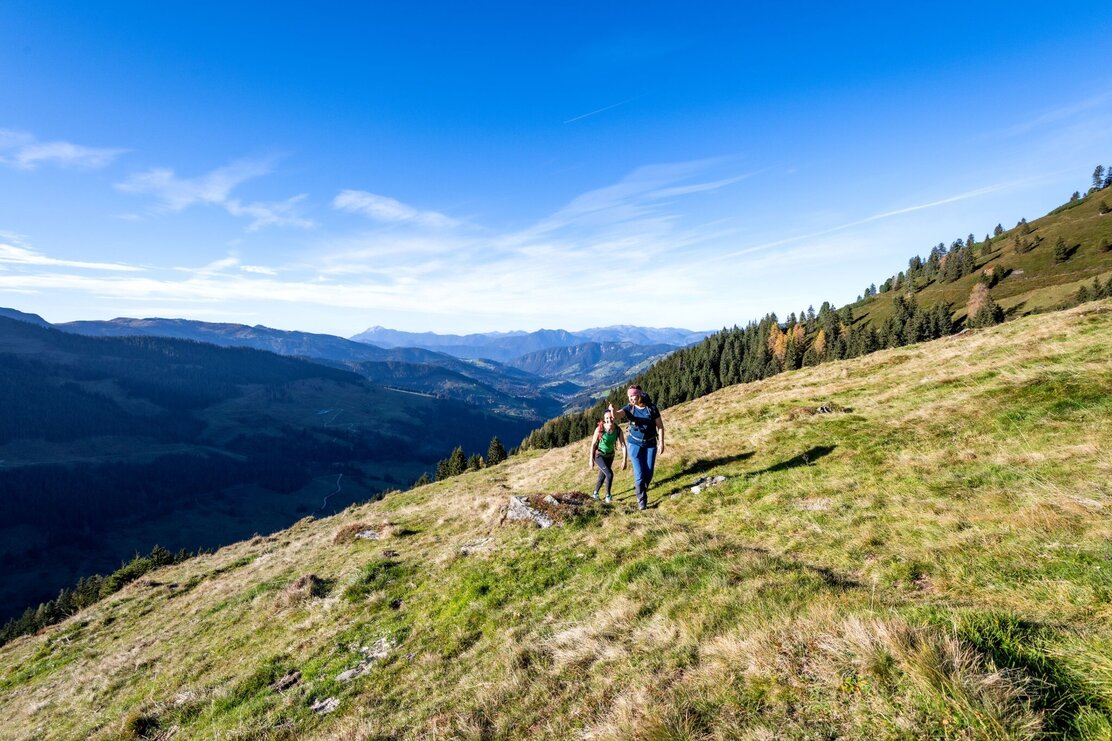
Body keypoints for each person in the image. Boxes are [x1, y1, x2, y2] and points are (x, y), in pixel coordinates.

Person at [608, 385, 664, 511]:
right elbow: (617, 415)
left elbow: (660, 426)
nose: (630, 398)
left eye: (632, 396)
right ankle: (641, 501)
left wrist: (661, 442)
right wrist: (613, 410)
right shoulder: (630, 408)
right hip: (634, 444)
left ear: (639, 395)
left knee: (648, 474)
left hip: (650, 444)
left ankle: (641, 491)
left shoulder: (652, 408)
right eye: (629, 396)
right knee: (639, 475)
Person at [588, 410, 626, 503]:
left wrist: (624, 460)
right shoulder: (599, 429)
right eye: (607, 418)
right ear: (604, 420)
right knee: (609, 474)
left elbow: (623, 445)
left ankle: (595, 493)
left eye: (611, 417)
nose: (609, 419)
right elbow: (593, 444)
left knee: (602, 476)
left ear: (614, 417)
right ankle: (608, 496)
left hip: (610, 455)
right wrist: (590, 460)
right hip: (599, 455)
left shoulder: (618, 430)